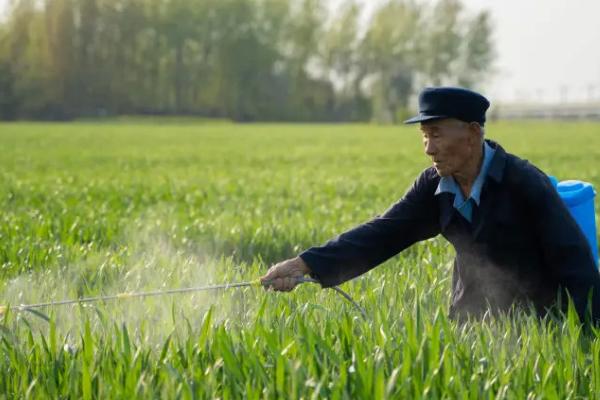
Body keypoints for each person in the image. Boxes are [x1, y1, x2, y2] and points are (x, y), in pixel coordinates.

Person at [261, 87, 600, 323]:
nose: (428, 148)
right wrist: (305, 264)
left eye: (436, 134)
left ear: (472, 134)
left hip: (537, 325)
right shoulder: (435, 187)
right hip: (474, 324)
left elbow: (575, 263)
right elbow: (383, 234)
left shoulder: (524, 183)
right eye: (424, 135)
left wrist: (586, 337)